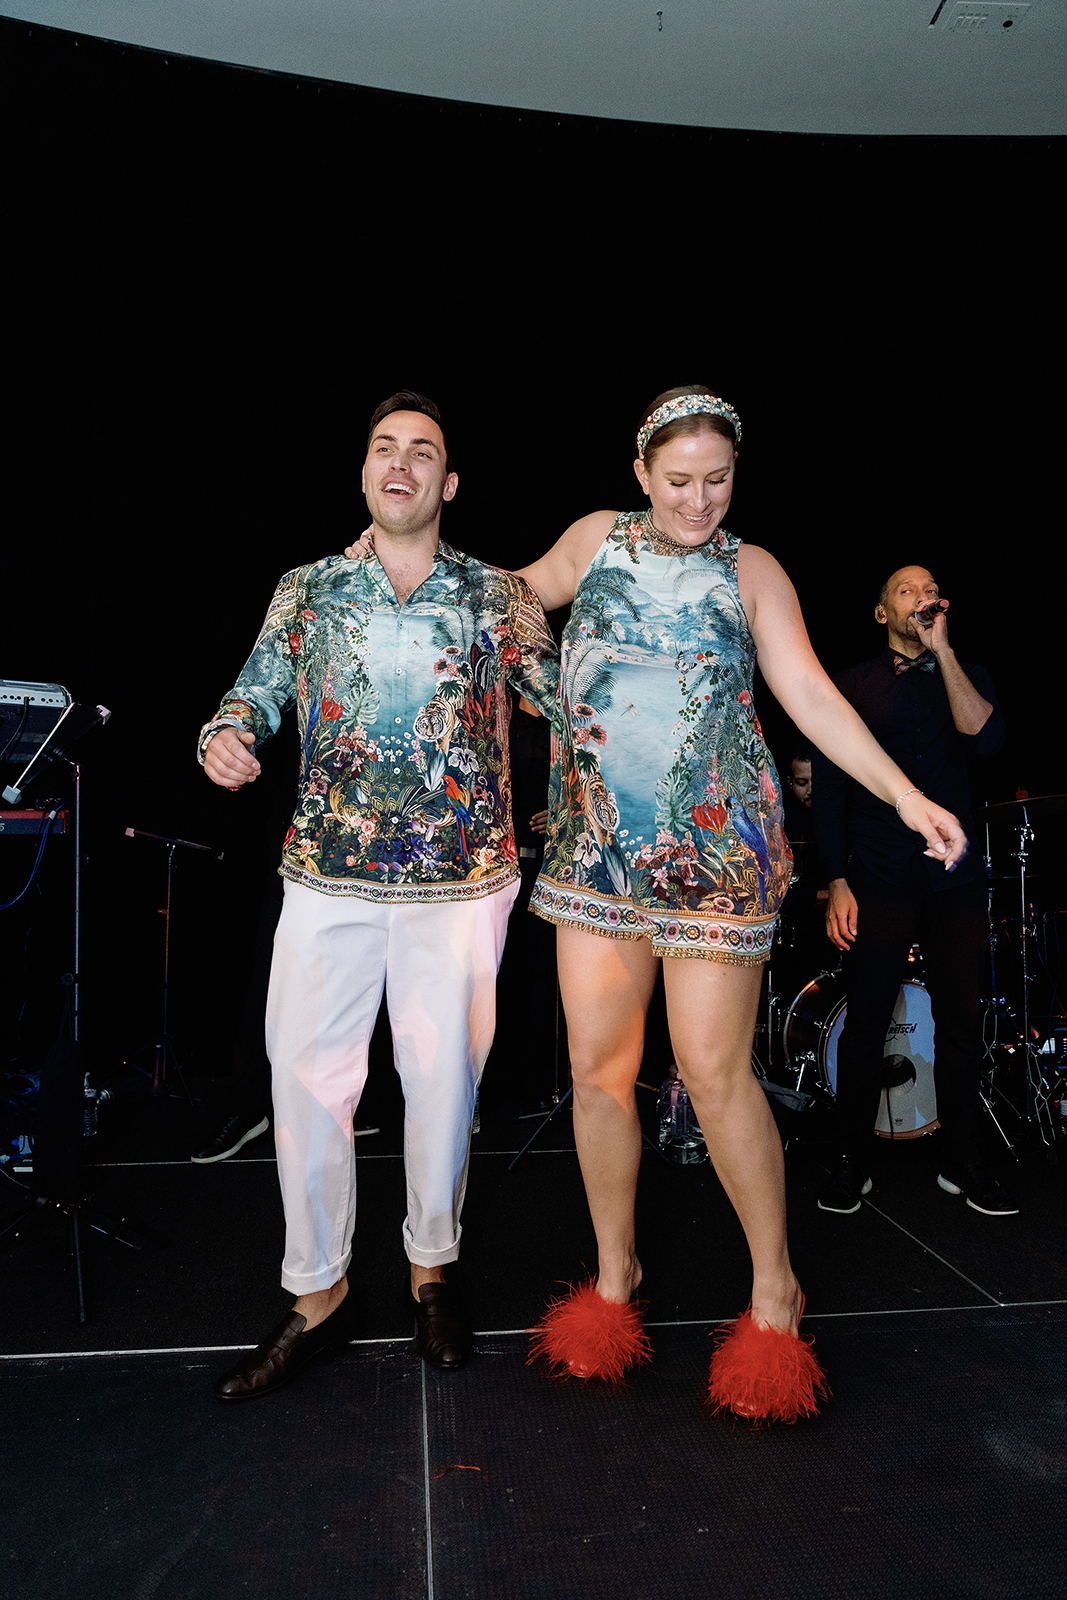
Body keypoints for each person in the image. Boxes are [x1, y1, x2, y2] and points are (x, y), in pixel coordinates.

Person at [511, 386, 968, 1422]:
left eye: (717, 479)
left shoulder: (750, 569)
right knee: (598, 1069)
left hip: (717, 850)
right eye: (678, 480)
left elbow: (808, 693)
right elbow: (501, 599)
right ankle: (614, 1277)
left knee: (713, 1072)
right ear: (640, 473)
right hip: (598, 852)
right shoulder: (591, 542)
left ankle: (773, 1288)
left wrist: (904, 794)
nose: (698, 500)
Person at [199, 391, 559, 1401]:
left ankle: (430, 1270)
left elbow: (562, 697)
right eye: (383, 448)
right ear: (364, 474)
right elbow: (251, 692)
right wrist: (224, 735)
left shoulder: (494, 594)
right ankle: (315, 1294)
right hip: (327, 873)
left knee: (443, 1086)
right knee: (304, 1081)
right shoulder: (307, 589)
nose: (400, 464)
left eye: (423, 452)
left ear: (447, 484)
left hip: (461, 881)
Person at [810, 566, 1013, 1216]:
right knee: (866, 1018)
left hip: (952, 876)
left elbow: (985, 742)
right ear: (879, 614)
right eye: (906, 589)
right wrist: (835, 879)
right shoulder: (850, 686)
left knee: (958, 1019)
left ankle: (963, 1163)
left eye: (929, 588)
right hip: (878, 874)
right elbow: (832, 792)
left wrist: (943, 649)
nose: (921, 596)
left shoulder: (965, 673)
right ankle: (849, 1163)